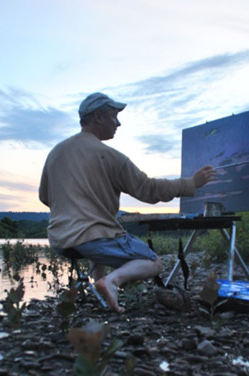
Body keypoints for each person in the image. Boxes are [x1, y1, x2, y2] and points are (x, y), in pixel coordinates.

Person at [38, 92, 216, 313]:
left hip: (59, 240)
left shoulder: (55, 153)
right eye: (114, 116)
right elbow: (149, 190)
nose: (118, 123)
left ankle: (100, 283)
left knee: (99, 225)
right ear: (98, 117)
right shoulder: (110, 156)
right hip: (92, 239)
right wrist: (191, 183)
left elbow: (44, 197)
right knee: (154, 262)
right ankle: (112, 281)